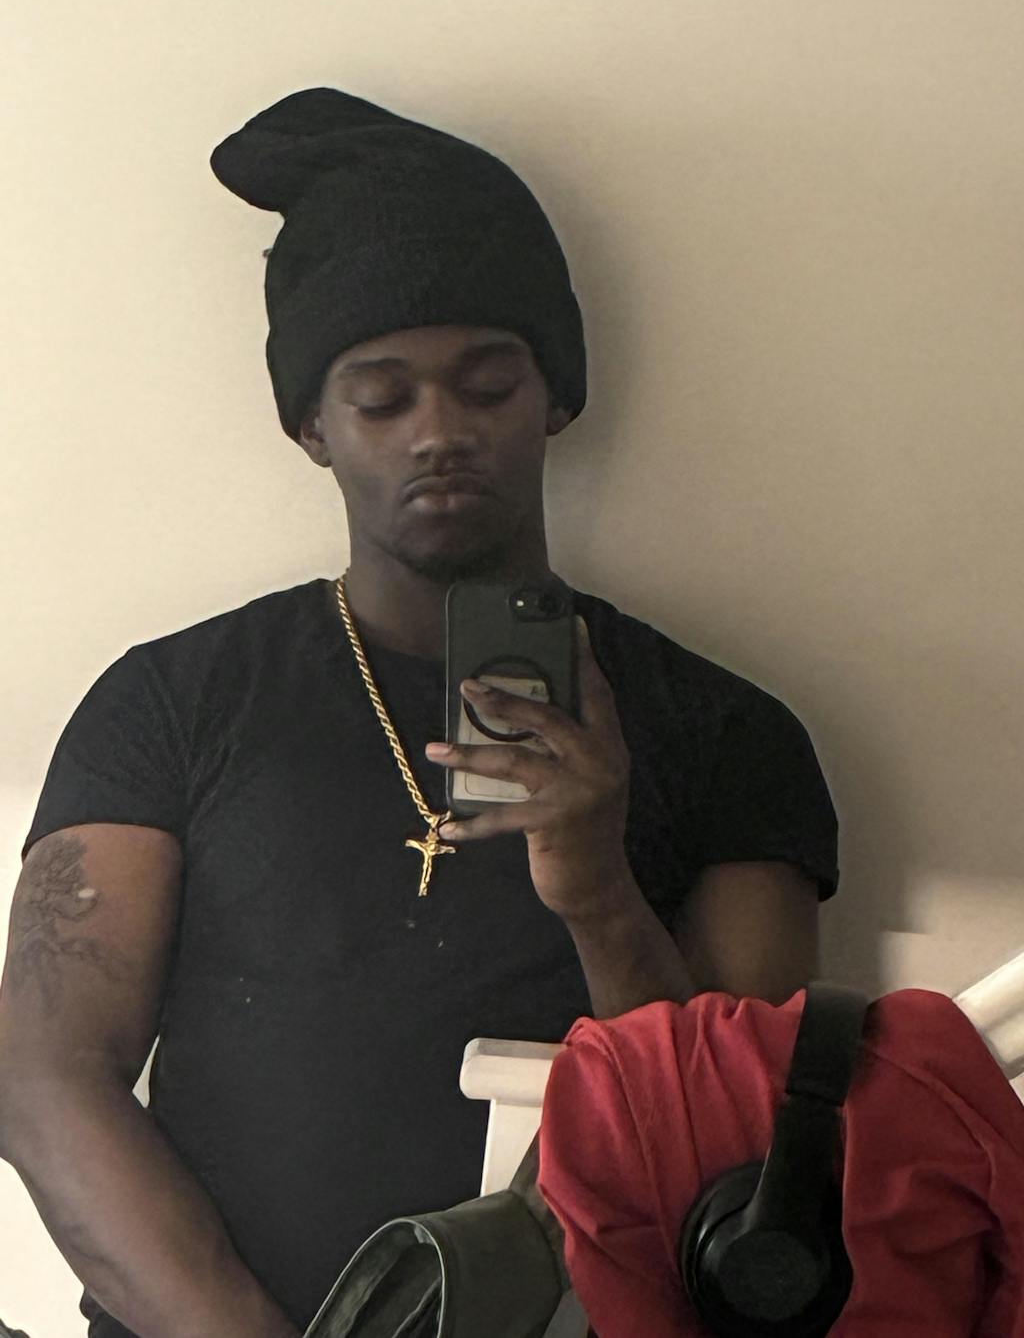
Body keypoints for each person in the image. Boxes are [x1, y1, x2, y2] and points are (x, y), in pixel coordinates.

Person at [0, 87, 839, 1338]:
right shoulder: (172, 701)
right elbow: (42, 1074)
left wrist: (597, 890)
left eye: (486, 385)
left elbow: (740, 1154)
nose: (439, 433)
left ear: (555, 398)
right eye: (382, 399)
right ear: (311, 427)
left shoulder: (729, 733)